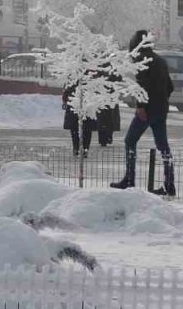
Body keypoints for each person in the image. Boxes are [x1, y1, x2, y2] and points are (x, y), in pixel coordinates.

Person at [111, 30, 176, 196]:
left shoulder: (142, 60)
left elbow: (143, 86)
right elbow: (170, 87)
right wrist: (162, 100)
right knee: (163, 147)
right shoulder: (160, 60)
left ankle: (129, 179)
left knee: (130, 140)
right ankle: (169, 184)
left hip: (147, 108)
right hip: (162, 108)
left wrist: (141, 106)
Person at [62, 78, 98, 157]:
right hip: (77, 103)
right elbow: (67, 88)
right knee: (82, 128)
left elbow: (67, 89)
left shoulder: (77, 74)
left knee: (81, 128)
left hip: (83, 103)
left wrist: (65, 100)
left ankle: (79, 149)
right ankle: (81, 149)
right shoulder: (74, 73)